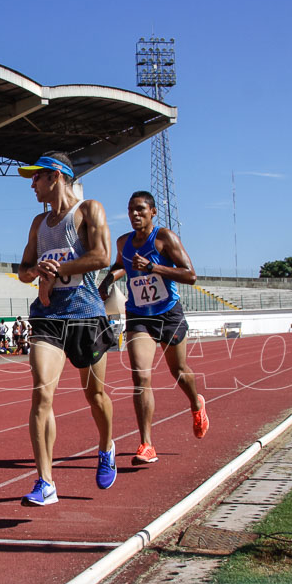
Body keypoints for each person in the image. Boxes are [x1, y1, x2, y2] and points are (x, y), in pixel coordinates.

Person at [16, 152, 119, 505]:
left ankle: (106, 447)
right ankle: (45, 481)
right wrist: (36, 271)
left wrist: (60, 269)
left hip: (86, 315)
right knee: (42, 394)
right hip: (48, 316)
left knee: (96, 396)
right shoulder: (38, 223)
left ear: (56, 177)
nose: (32, 184)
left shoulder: (89, 211)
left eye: (37, 177)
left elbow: (103, 256)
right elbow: (23, 269)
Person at [99, 190, 210, 467]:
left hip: (168, 313)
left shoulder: (165, 239)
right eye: (130, 210)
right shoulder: (124, 241)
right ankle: (146, 443)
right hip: (139, 316)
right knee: (140, 377)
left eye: (140, 210)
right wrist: (108, 279)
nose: (134, 215)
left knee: (179, 372)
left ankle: (196, 403)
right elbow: (121, 265)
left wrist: (154, 268)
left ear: (152, 212)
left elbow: (191, 275)